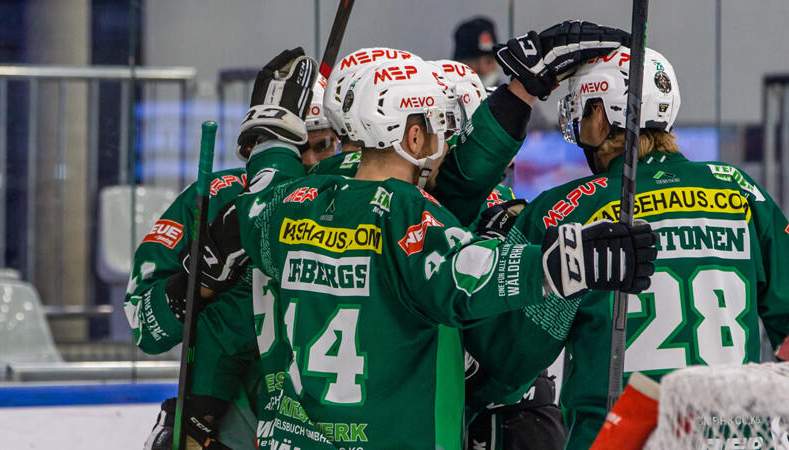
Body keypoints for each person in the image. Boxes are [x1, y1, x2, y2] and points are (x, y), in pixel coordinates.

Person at [191, 19, 657, 442]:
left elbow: (254, 204)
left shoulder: (291, 204)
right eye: (439, 125)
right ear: (413, 136)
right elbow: (467, 271)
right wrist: (571, 261)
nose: (444, 141)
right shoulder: (406, 215)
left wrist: (272, 135)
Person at [501, 46, 789, 449]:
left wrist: (498, 247)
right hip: (731, 440)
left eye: (583, 112)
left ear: (599, 117)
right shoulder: (739, 190)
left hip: (617, 439)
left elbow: (509, 358)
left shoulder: (564, 208)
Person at [126, 48, 326, 449]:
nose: (309, 159)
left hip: (319, 415)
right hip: (224, 413)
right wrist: (199, 282)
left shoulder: (345, 202)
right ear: (255, 147)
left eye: (324, 146)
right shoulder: (211, 199)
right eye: (300, 146)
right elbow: (144, 326)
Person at [453, 16, 505, 87]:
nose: (483, 69)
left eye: (489, 62)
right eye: (475, 61)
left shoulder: (511, 97)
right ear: (459, 63)